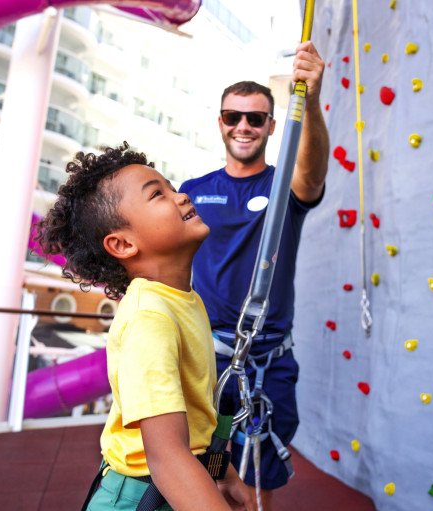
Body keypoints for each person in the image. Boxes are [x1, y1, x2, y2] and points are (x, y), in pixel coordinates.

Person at [36, 142, 255, 511]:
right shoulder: (149, 317)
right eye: (158, 195)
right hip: (141, 497)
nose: (181, 196)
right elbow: (167, 457)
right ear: (122, 244)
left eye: (171, 187)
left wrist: (224, 475)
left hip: (176, 485)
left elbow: (199, 424)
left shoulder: (184, 299)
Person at [179, 41, 330, 509]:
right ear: (220, 122)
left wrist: (311, 100)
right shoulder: (193, 191)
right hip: (209, 354)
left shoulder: (284, 186)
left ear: (269, 126)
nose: (243, 126)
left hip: (268, 359)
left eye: (255, 118)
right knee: (208, 463)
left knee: (263, 470)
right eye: (233, 116)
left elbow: (312, 172)